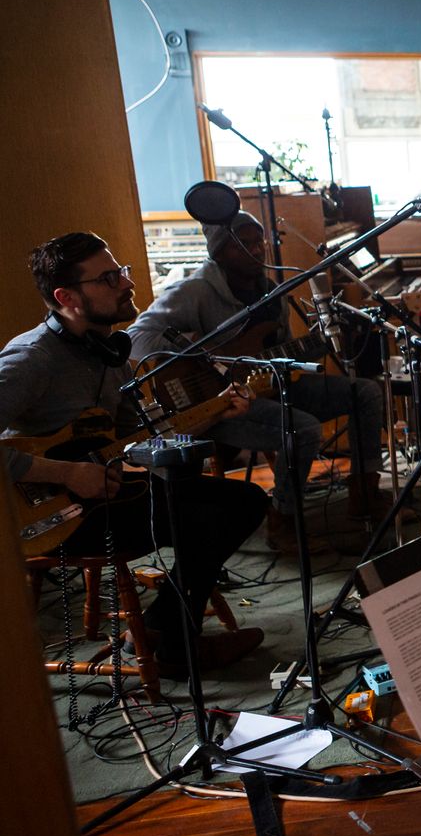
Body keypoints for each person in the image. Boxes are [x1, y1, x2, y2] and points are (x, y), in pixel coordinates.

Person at [1, 233, 267, 674]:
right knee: (207, 517)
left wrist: (216, 410)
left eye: (120, 271)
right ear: (67, 298)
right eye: (108, 278)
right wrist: (66, 473)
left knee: (245, 500)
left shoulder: (109, 354)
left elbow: (145, 438)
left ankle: (160, 625)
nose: (127, 283)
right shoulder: (33, 359)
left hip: (103, 495)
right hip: (52, 517)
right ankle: (176, 648)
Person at [128, 211, 396, 552]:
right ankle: (282, 519)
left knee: (366, 392)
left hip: (267, 388)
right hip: (216, 404)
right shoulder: (194, 291)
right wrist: (201, 351)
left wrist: (324, 341)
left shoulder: (271, 291)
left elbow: (283, 352)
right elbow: (135, 337)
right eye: (243, 244)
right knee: (302, 428)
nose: (256, 250)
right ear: (219, 251)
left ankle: (364, 495)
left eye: (259, 242)